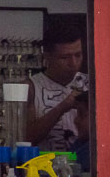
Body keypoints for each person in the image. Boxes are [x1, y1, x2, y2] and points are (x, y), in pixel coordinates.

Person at [27, 21, 90, 153]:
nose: (73, 63)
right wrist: (61, 108)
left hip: (83, 166)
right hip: (42, 168)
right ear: (47, 57)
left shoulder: (91, 84)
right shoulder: (31, 87)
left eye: (78, 55)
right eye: (64, 57)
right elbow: (26, 139)